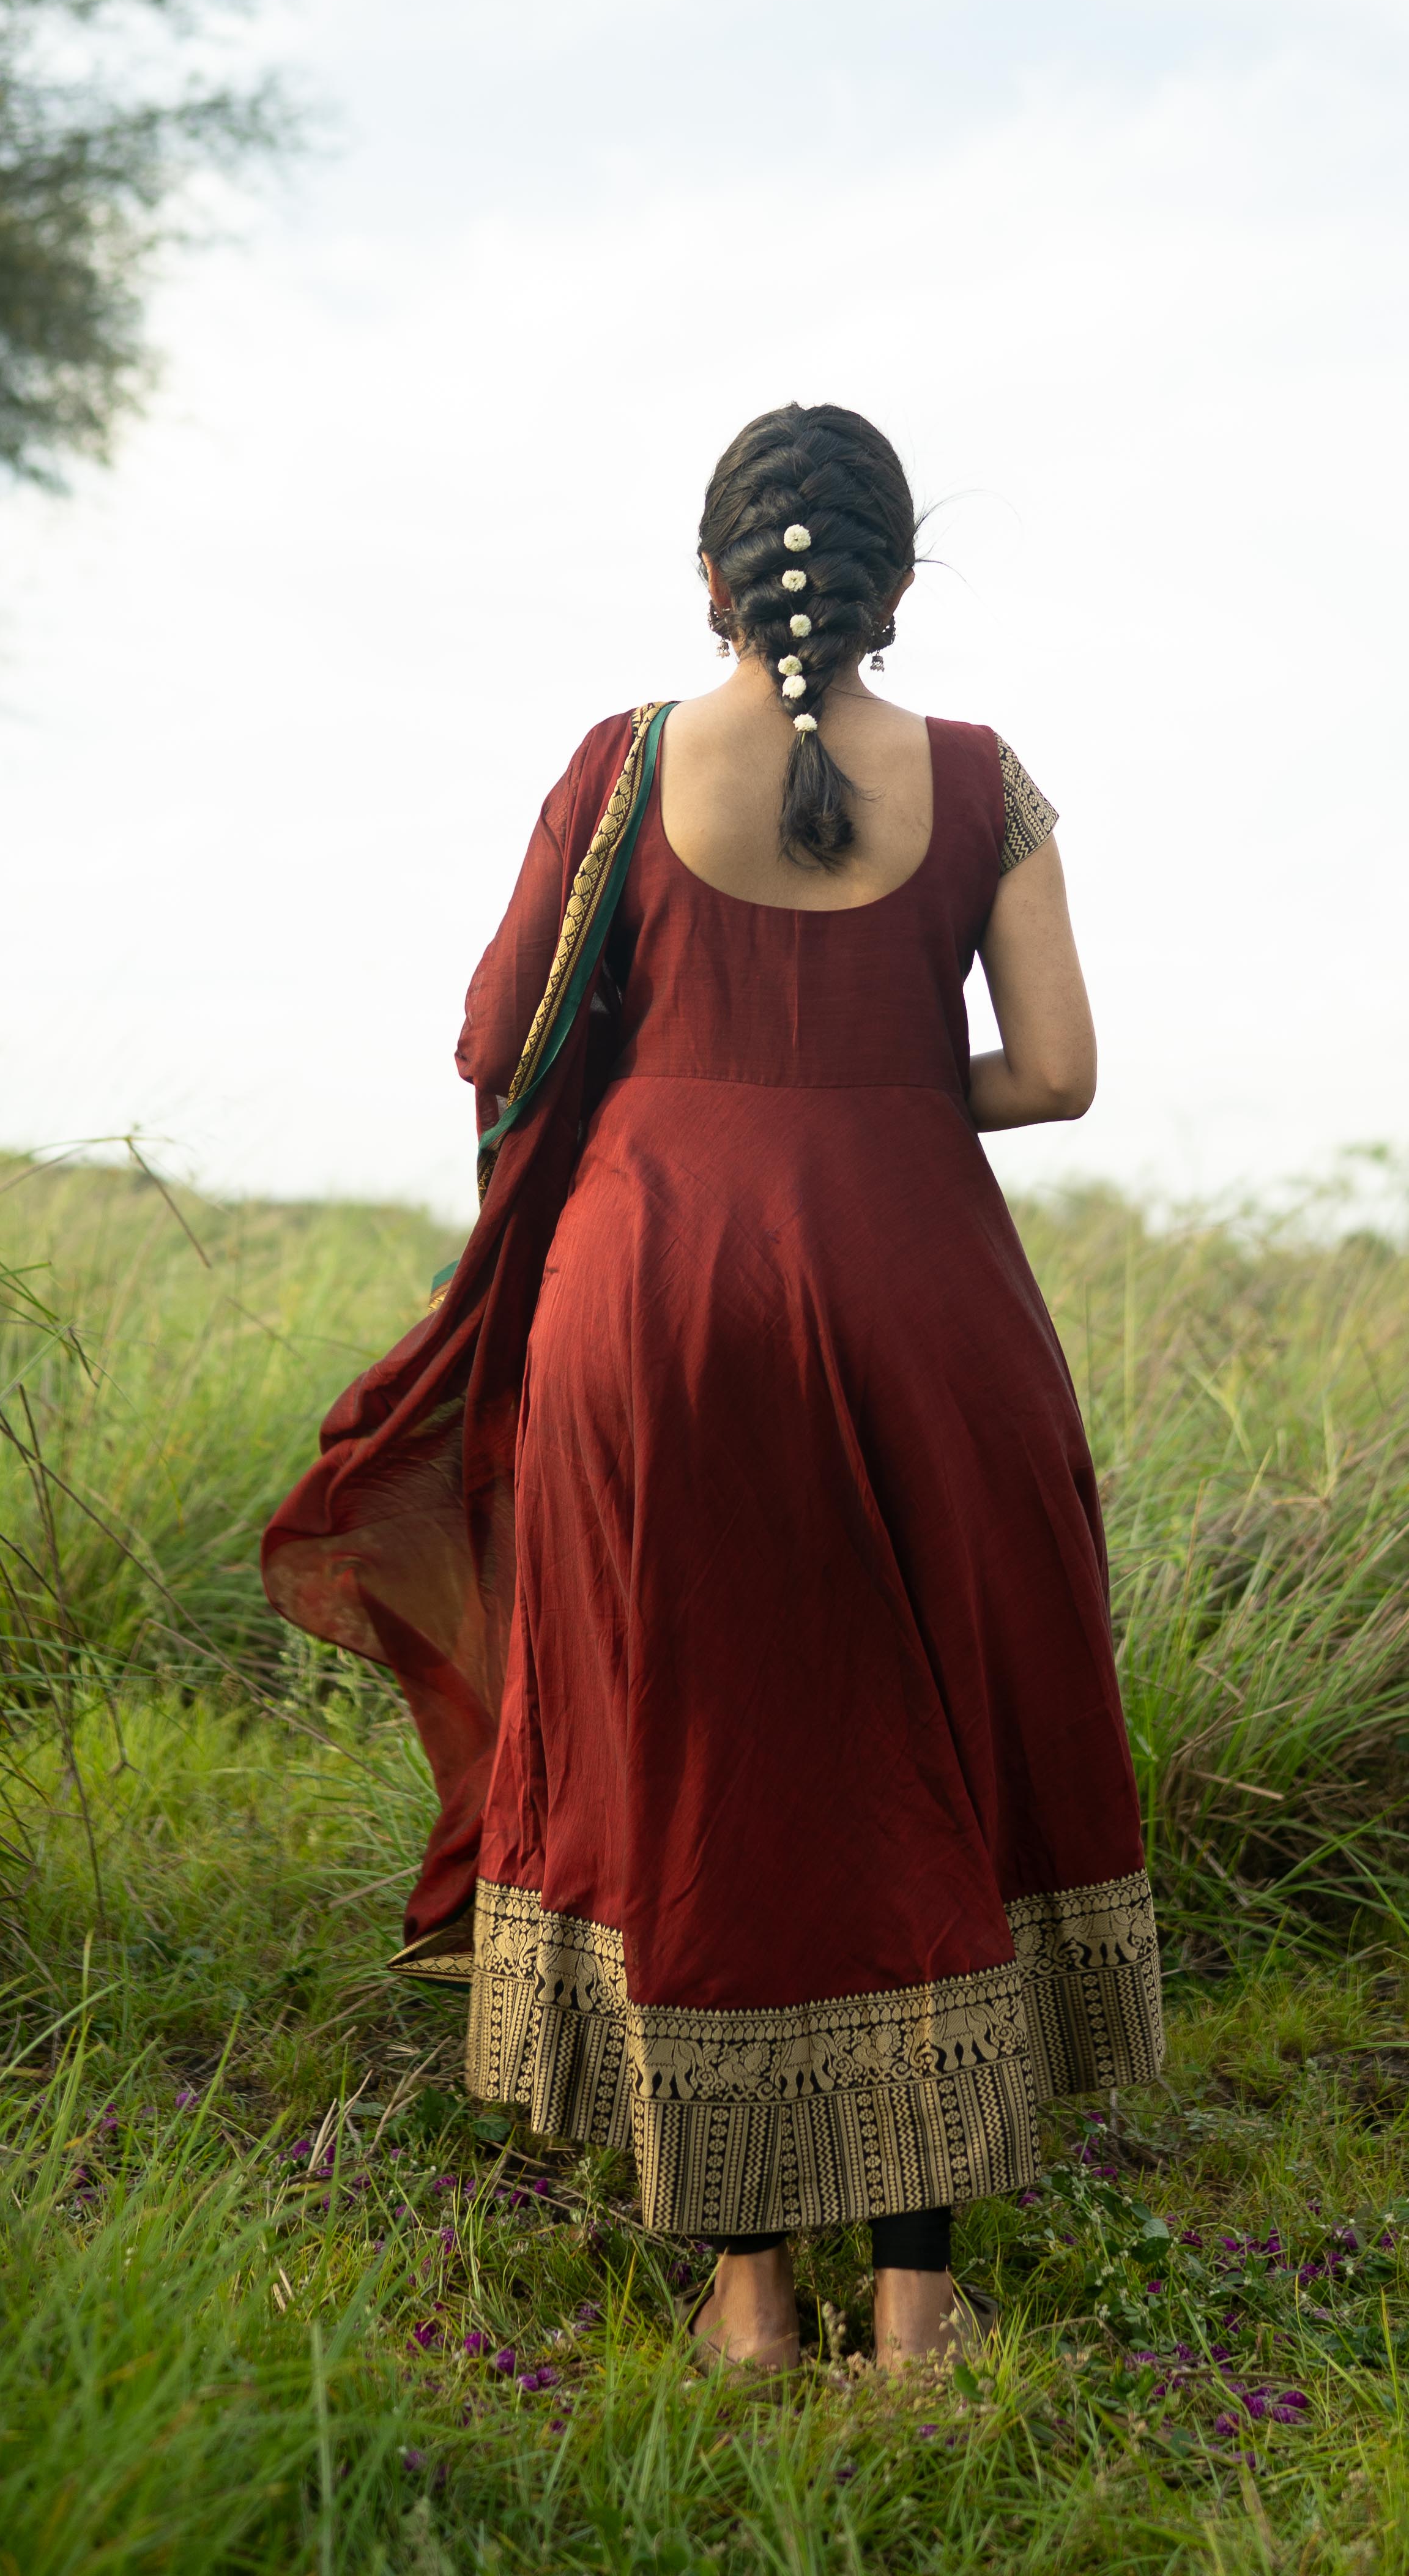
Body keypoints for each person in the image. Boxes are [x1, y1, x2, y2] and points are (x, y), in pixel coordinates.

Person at [265, 401, 1159, 2372]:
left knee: (696, 1752)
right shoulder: (986, 781)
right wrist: (876, 1088)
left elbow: (497, 1040)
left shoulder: (622, 768)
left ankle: (747, 2301)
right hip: (922, 1300)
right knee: (919, 1751)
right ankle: (919, 2307)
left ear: (711, 580)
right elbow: (1060, 1072)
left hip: (648, 1302)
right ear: (896, 591)